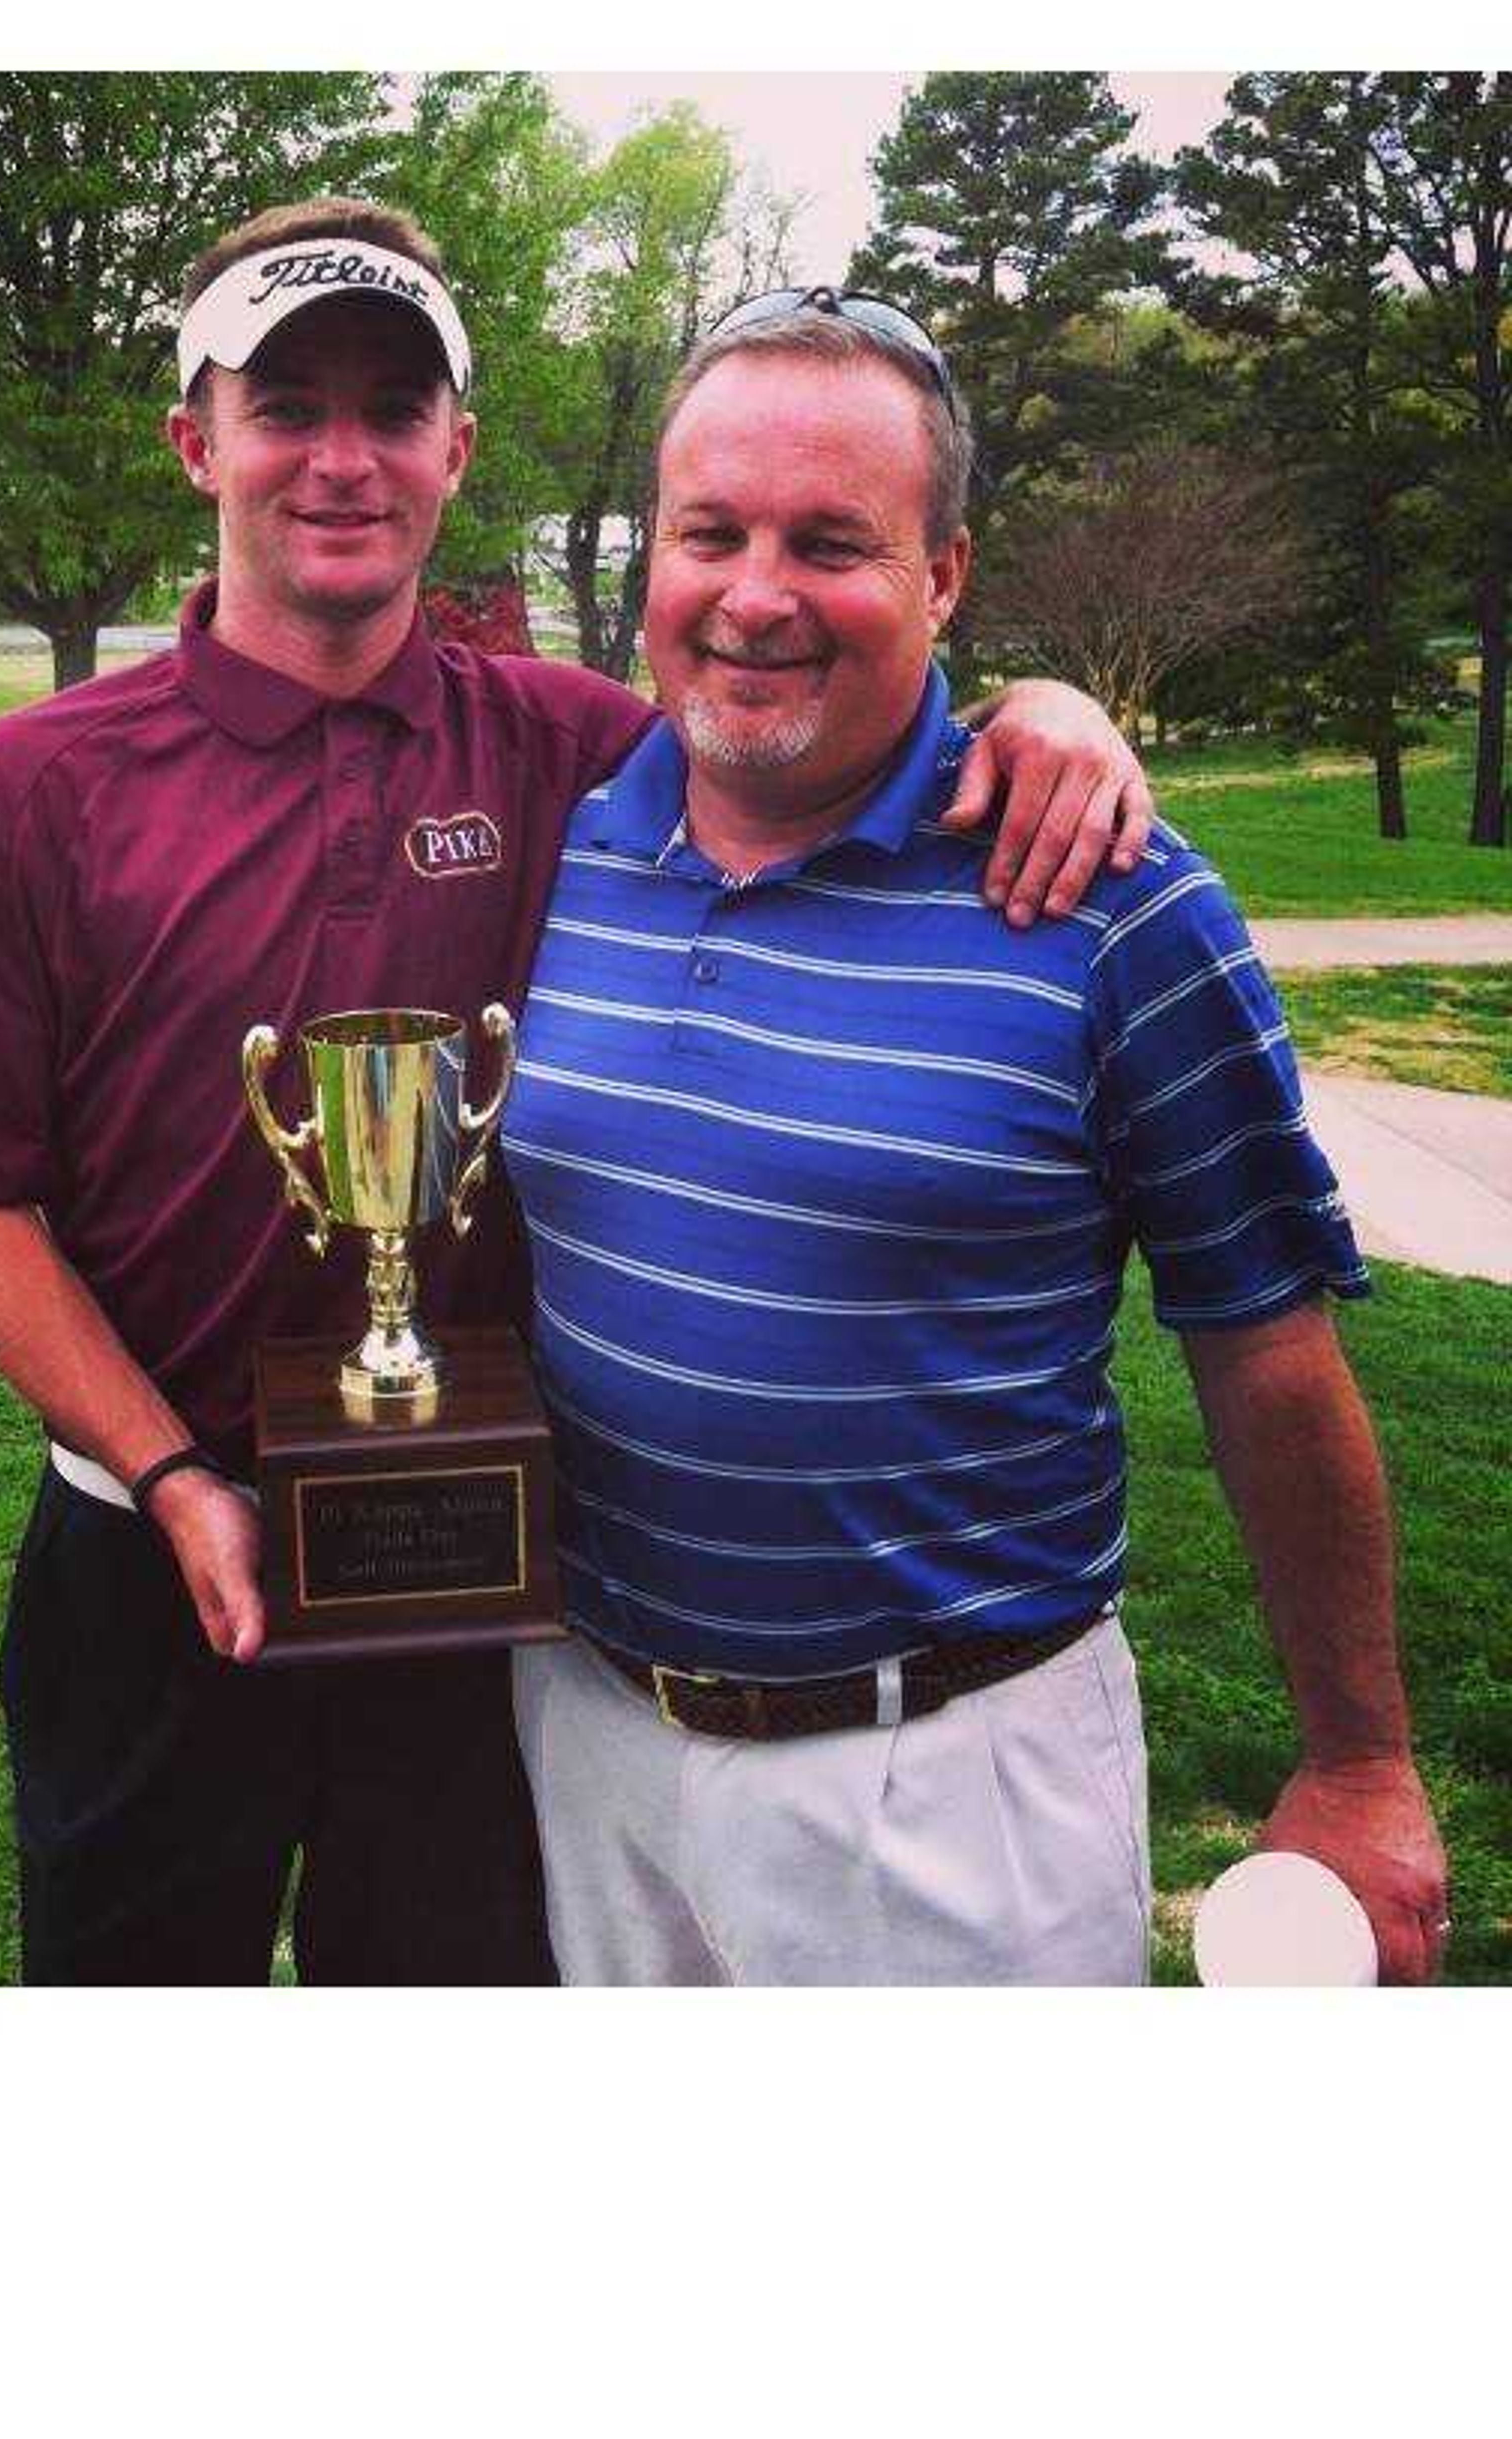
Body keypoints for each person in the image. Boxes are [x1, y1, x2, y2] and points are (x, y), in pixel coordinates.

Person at [0, 206, 1156, 1987]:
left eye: (394, 410)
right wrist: (171, 1476)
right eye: (287, 406)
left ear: (455, 452)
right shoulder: (35, 785)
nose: (342, 458)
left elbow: (818, 707)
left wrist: (1043, 703)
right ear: (197, 441)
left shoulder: (579, 750)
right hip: (146, 1555)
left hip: (470, 1570)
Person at [504, 288, 1451, 1987]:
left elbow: (1268, 1355)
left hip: (945, 1784)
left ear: (944, 576)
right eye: (709, 532)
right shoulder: (559, 855)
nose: (756, 594)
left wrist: (1363, 1764)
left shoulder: (1113, 905)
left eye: (832, 542)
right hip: (591, 1733)